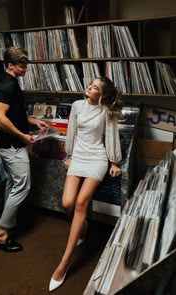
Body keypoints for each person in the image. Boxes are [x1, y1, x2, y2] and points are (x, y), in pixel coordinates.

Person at [49, 76, 123, 291]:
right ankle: (84, 226)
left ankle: (64, 263)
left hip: (97, 159)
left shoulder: (107, 111)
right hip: (79, 157)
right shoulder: (77, 105)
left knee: (81, 203)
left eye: (95, 87)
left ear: (101, 94)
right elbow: (72, 131)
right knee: (67, 203)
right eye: (91, 83)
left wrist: (114, 161)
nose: (90, 86)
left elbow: (111, 137)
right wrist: (69, 154)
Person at [0, 47, 48, 252]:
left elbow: (13, 114)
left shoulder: (12, 82)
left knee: (13, 183)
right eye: (22, 66)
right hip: (12, 146)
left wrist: (33, 121)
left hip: (12, 144)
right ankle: (2, 234)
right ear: (11, 65)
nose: (25, 69)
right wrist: (23, 136)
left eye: (26, 65)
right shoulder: (5, 86)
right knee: (22, 186)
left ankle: (10, 220)